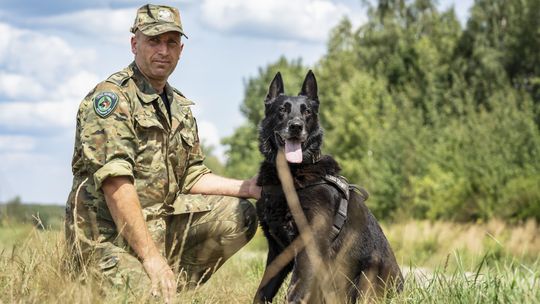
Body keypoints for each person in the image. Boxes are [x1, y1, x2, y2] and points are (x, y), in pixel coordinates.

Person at [65, 4, 260, 302]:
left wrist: (249, 187)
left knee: (240, 214)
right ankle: (147, 281)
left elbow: (193, 175)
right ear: (134, 44)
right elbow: (116, 184)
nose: (163, 51)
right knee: (144, 297)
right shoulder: (112, 99)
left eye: (171, 42)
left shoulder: (178, 107)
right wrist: (152, 259)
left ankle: (168, 288)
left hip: (159, 229)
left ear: (181, 50)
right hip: (105, 237)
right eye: (153, 41)